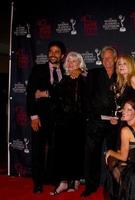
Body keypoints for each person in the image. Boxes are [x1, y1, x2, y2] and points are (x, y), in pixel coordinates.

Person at [26, 40, 66, 193]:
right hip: (40, 118)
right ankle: (37, 182)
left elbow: (64, 96)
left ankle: (53, 179)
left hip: (59, 120)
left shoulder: (67, 71)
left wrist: (46, 94)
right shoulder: (38, 69)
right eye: (51, 51)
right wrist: (34, 117)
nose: (53, 54)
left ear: (62, 56)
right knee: (37, 151)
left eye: (56, 52)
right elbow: (31, 93)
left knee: (56, 151)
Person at [81, 46, 118, 197]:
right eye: (104, 58)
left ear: (115, 59)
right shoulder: (93, 74)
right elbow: (86, 97)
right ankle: (91, 185)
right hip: (95, 122)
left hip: (114, 123)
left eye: (109, 57)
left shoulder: (121, 73)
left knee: (114, 156)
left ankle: (114, 186)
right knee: (92, 155)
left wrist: (119, 116)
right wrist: (91, 116)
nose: (106, 60)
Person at [49, 51, 88, 195]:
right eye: (69, 61)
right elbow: (55, 100)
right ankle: (63, 182)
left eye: (74, 61)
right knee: (61, 153)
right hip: (62, 123)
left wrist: (81, 72)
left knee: (76, 152)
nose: (71, 64)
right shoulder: (63, 80)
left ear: (80, 64)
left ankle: (74, 179)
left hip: (78, 123)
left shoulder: (84, 79)